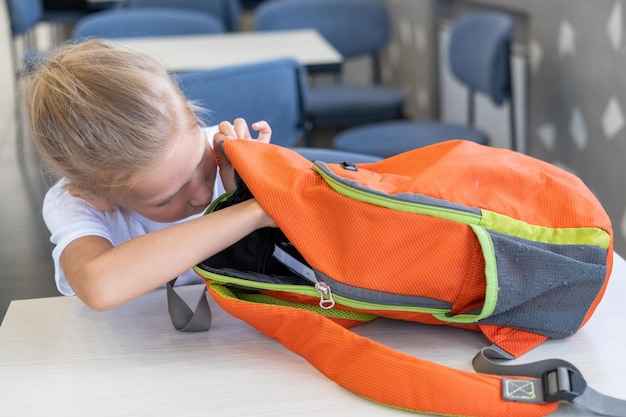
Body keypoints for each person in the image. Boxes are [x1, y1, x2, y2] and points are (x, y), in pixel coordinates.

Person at [23, 39, 276, 311]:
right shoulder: (73, 204)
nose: (202, 194)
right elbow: (99, 287)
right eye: (165, 200)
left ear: (194, 117)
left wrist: (247, 189)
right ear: (95, 195)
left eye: (200, 165)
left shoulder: (228, 152)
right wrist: (250, 212)